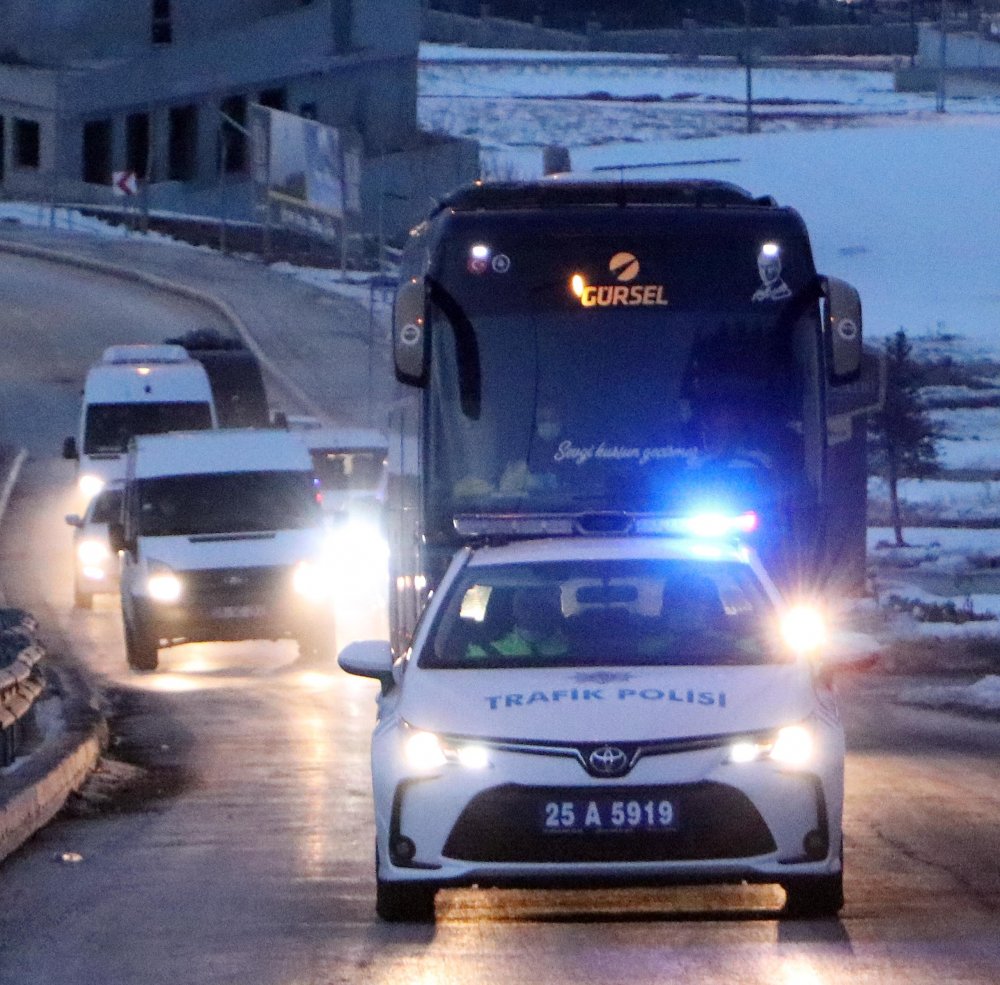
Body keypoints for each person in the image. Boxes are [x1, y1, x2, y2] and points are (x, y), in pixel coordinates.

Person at [469, 585, 569, 660]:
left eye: (542, 604)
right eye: (525, 604)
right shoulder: (482, 651)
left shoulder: (577, 646)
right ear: (512, 607)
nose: (533, 610)